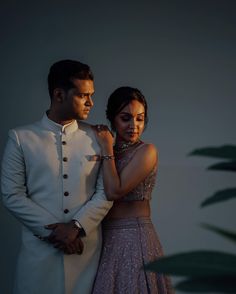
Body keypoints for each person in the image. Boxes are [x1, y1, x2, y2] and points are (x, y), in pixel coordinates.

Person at [1, 59, 113, 294]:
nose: (91, 102)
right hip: (39, 256)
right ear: (59, 94)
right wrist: (54, 231)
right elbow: (12, 194)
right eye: (83, 95)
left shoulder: (98, 137)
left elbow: (106, 191)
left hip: (85, 254)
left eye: (91, 95)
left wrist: (76, 226)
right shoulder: (21, 138)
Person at [92, 87, 174, 293]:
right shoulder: (102, 149)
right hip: (103, 238)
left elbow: (114, 191)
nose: (134, 126)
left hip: (134, 238)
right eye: (126, 118)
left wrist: (105, 149)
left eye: (140, 118)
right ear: (112, 118)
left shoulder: (146, 151)